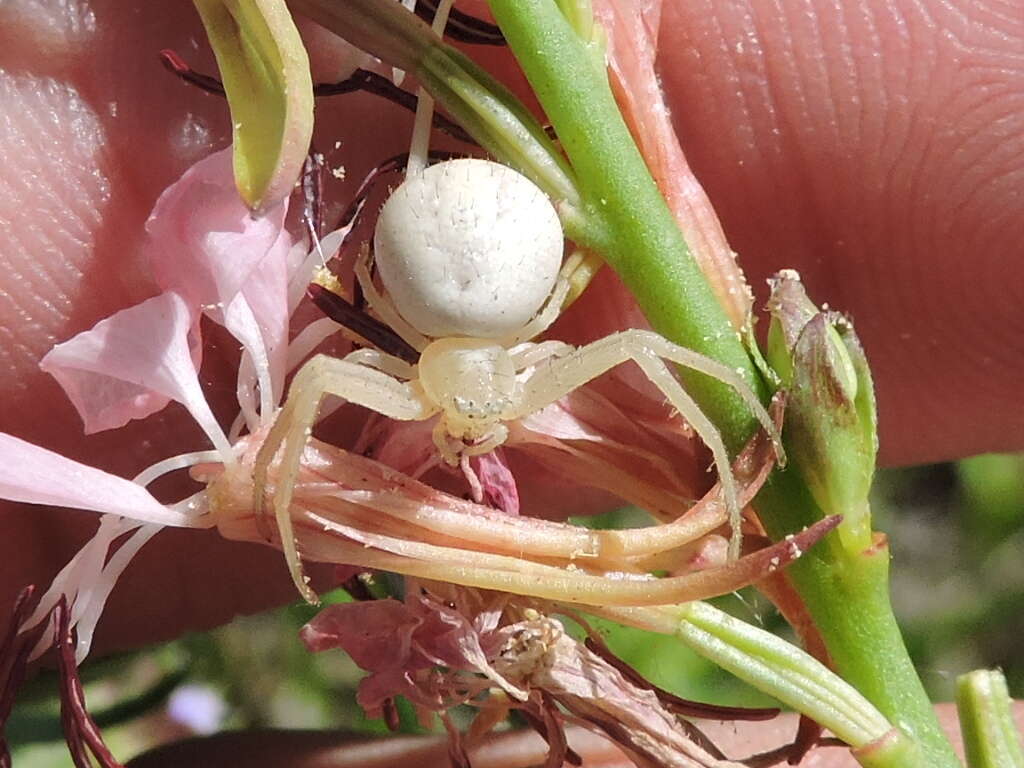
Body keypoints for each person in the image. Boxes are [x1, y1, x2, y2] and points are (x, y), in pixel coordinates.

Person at [0, 1, 1020, 764]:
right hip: (465, 274)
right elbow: (319, 393)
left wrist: (727, 465)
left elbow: (639, 352)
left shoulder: (472, 353)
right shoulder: (425, 364)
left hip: (482, 266)